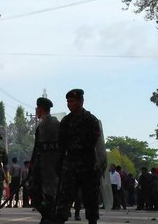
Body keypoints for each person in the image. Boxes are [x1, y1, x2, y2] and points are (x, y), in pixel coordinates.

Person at [54, 89, 101, 224]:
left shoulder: (91, 120)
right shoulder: (66, 121)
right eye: (68, 102)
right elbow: (61, 145)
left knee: (90, 198)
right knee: (64, 197)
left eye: (72, 101)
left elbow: (94, 142)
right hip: (70, 165)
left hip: (87, 164)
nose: (69, 104)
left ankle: (92, 221)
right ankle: (60, 218)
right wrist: (59, 163)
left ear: (81, 101)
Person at [29, 97, 60, 223]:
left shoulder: (45, 126)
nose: (36, 111)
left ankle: (48, 217)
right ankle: (48, 216)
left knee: (40, 193)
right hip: (49, 167)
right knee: (47, 195)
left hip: (47, 168)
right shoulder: (56, 124)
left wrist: (33, 166)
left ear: (40, 109)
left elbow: (38, 150)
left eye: (37, 109)